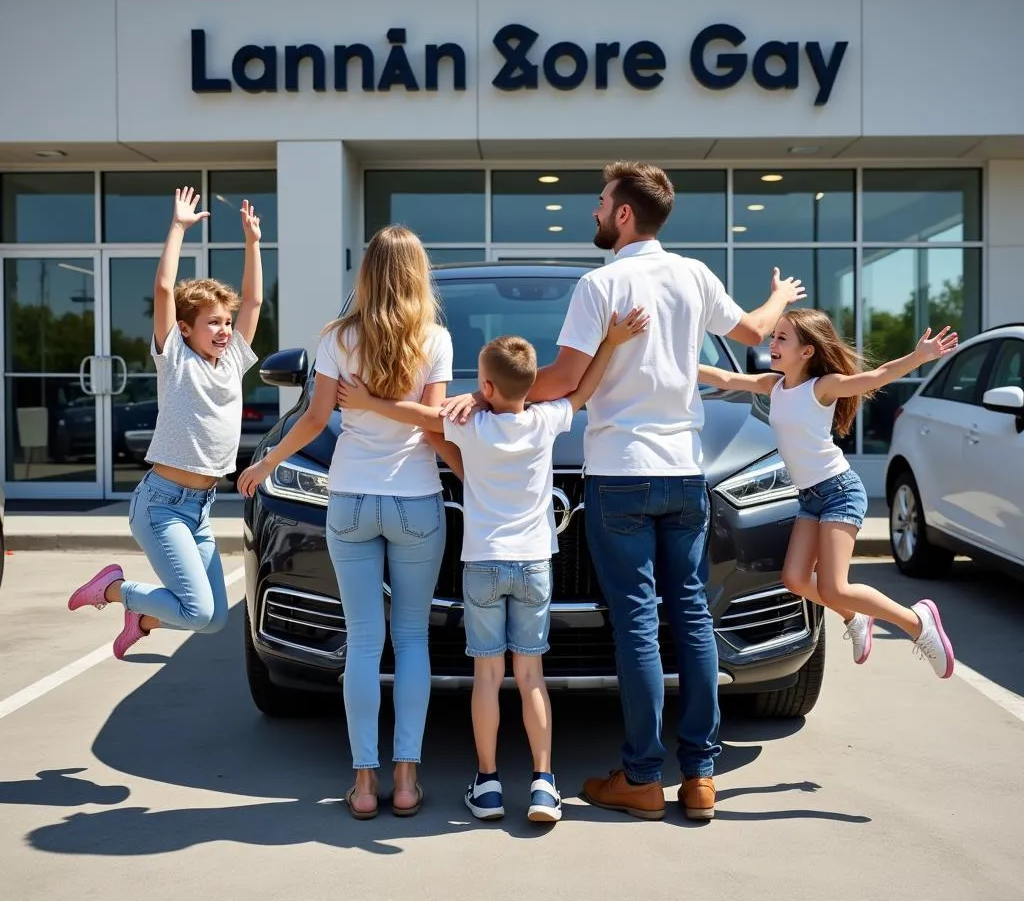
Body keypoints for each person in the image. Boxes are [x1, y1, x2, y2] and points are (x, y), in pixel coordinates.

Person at [446, 161, 807, 822]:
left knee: (639, 625)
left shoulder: (602, 284)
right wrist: (781, 297)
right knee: (692, 617)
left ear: (623, 215)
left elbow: (561, 379)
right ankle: (700, 778)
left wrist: (485, 394)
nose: (593, 211)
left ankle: (642, 778)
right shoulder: (694, 276)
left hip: (619, 473)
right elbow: (754, 333)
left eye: (601, 201)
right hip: (683, 470)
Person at [337, 309, 649, 823]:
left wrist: (371, 403)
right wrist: (610, 342)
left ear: (483, 385)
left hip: (482, 564)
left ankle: (486, 784)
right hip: (534, 565)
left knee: (487, 677)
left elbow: (422, 420)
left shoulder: (471, 426)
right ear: (530, 383)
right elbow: (582, 390)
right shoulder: (546, 421)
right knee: (531, 676)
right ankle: (545, 783)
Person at [236, 226, 462, 820]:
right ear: (419, 275)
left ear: (366, 274)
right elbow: (435, 424)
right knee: (411, 640)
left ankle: (364, 786)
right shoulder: (434, 339)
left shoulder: (339, 338)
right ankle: (407, 781)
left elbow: (313, 421)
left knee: (364, 643)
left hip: (352, 500)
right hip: (416, 501)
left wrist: (265, 463)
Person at [698, 309, 958, 679]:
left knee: (835, 587)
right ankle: (856, 615)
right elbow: (723, 376)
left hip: (839, 492)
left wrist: (918, 357)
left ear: (807, 351)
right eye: (773, 337)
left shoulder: (823, 387)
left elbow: (876, 376)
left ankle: (917, 622)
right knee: (796, 580)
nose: (772, 344)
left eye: (782, 338)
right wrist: (671, 363)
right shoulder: (773, 385)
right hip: (809, 497)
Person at [68, 187, 264, 658]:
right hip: (161, 506)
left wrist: (253, 243)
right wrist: (177, 228)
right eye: (212, 323)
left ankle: (143, 618)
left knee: (215, 618)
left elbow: (254, 304)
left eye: (225, 322)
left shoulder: (233, 361)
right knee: (197, 611)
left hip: (199, 508)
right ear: (185, 328)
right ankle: (115, 589)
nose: (223, 330)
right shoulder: (174, 359)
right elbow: (162, 289)